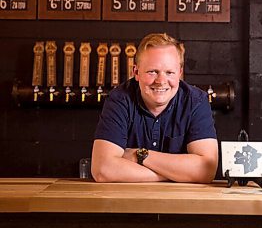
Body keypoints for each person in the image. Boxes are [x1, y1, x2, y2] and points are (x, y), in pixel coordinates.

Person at [91, 32, 218, 183]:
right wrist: (175, 174)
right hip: (128, 202)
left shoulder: (196, 101)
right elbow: (103, 170)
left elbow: (206, 171)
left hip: (183, 203)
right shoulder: (119, 99)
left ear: (180, 73)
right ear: (136, 72)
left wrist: (140, 155)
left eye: (169, 72)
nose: (161, 81)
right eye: (152, 72)